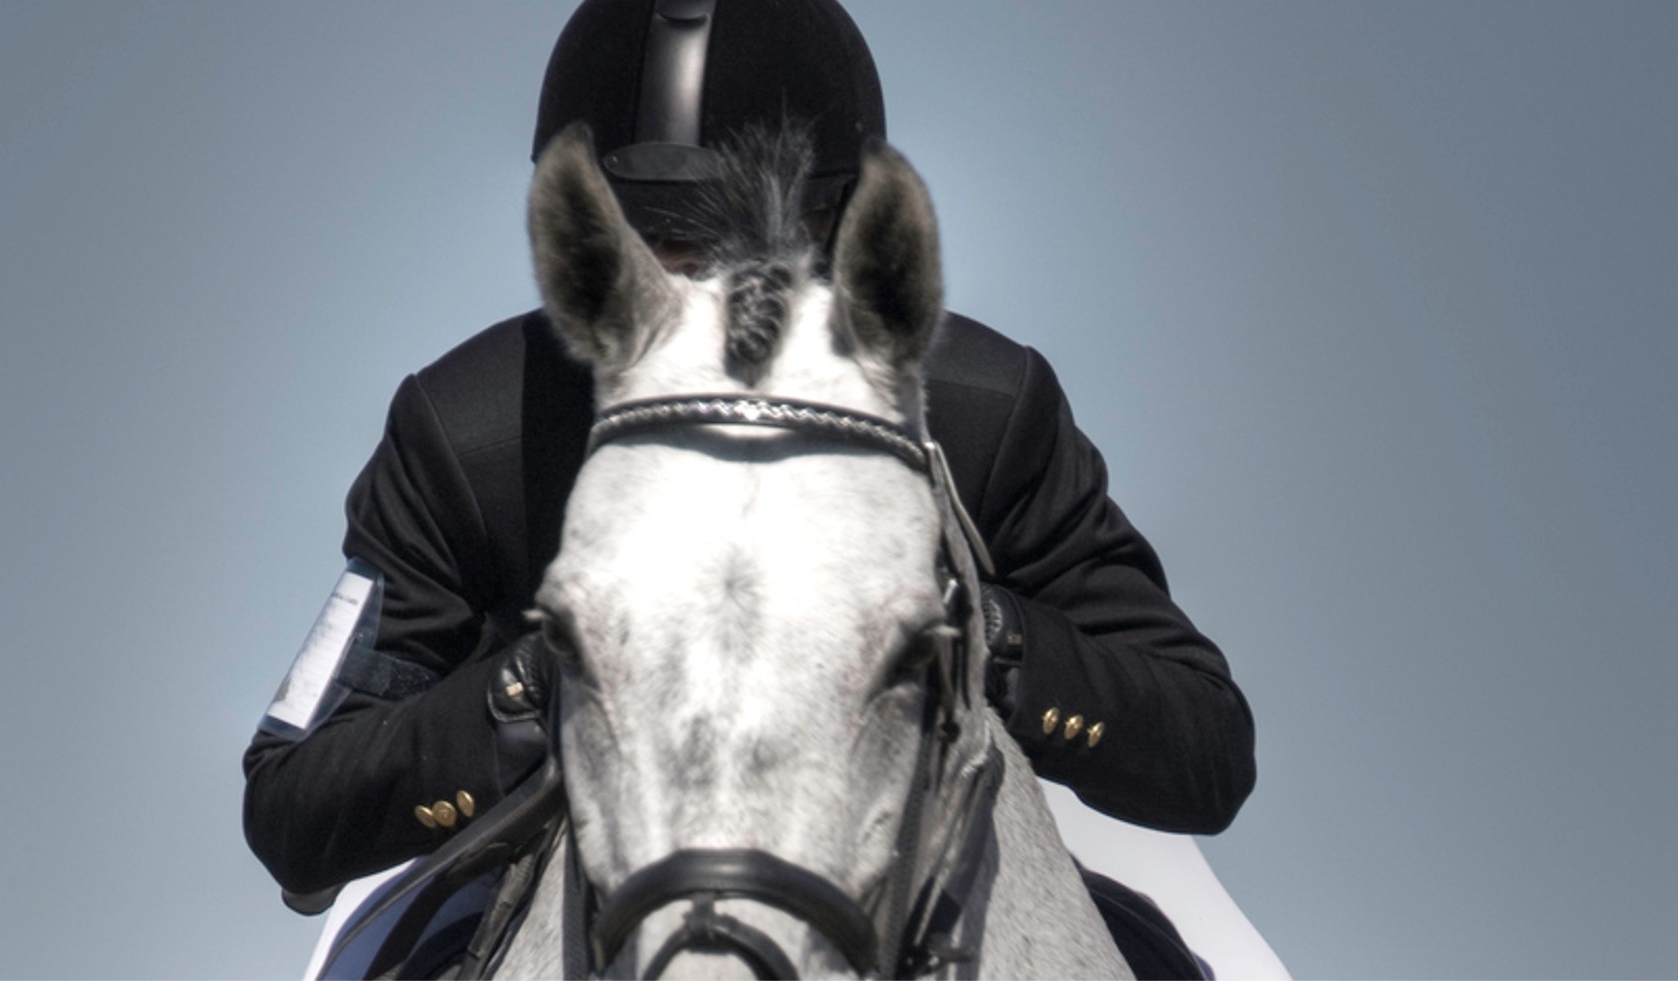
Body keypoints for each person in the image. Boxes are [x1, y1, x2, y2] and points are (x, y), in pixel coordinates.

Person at [244, 0, 1256, 973]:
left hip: (941, 815)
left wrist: (961, 629)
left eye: (747, 253)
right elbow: (294, 808)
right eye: (655, 255)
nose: (705, 303)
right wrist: (559, 676)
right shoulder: (470, 434)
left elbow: (1204, 745)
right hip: (544, 849)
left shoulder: (982, 408)